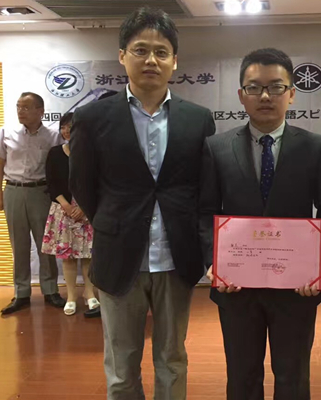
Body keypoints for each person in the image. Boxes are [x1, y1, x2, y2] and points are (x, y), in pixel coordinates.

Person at [69, 7, 215, 400]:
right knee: (121, 366)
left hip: (176, 258)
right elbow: (83, 185)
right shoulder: (91, 118)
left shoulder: (198, 119)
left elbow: (204, 191)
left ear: (174, 61)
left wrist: (204, 247)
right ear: (122, 56)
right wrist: (115, 221)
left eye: (161, 52)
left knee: (172, 359)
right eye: (141, 50)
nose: (151, 59)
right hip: (119, 256)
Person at [200, 48, 321, 400]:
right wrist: (215, 263)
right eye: (254, 87)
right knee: (242, 377)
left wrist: (314, 269)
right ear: (241, 95)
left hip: (295, 290)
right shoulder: (216, 148)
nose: (265, 96)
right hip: (236, 289)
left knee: (293, 378)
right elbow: (204, 211)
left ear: (291, 94)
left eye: (276, 87)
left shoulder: (316, 148)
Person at [0, 92, 66, 315]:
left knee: (45, 244)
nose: (20, 111)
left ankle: (50, 290)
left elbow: (60, 166)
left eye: (26, 107)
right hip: (13, 190)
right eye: (18, 107)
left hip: (41, 192)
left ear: (40, 111)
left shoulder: (53, 136)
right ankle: (21, 293)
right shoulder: (7, 132)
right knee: (19, 244)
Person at [41, 112, 100, 317]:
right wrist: (66, 205)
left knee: (87, 256)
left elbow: (97, 182)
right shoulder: (55, 153)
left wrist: (83, 207)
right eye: (63, 127)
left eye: (71, 126)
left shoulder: (92, 153)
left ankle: (89, 293)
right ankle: (72, 297)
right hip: (63, 209)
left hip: (86, 210)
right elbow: (51, 182)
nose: (66, 130)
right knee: (67, 257)